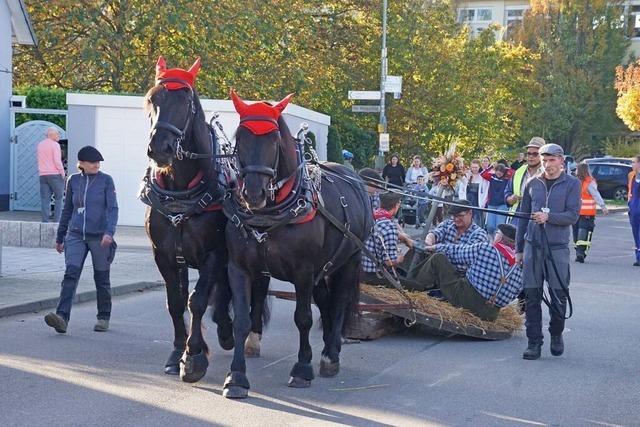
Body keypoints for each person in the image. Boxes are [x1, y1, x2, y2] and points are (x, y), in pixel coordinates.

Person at [516, 143, 581, 360]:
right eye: (544, 160)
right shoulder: (533, 183)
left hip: (557, 248)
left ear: (561, 161)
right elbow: (522, 218)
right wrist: (519, 250)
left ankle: (556, 334)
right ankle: (534, 342)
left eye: (552, 160)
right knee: (532, 296)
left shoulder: (572, 184)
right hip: (533, 247)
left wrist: (549, 217)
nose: (547, 164)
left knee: (558, 296)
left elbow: (572, 215)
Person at [44, 146, 119, 334]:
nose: (96, 165)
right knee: (70, 274)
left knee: (101, 278)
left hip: (99, 237)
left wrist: (109, 232)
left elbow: (113, 209)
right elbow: (67, 210)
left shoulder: (106, 181)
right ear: (82, 164)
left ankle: (103, 317)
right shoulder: (73, 181)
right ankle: (61, 318)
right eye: (92, 162)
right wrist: (60, 236)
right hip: (76, 235)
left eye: (98, 162)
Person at [419, 223, 523, 321]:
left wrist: (435, 247)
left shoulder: (485, 248)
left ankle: (412, 289)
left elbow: (457, 252)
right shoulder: (520, 267)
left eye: (496, 234)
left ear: (500, 238)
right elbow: (514, 295)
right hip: (490, 314)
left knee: (438, 258)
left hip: (466, 302)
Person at [361, 192, 420, 289]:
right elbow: (389, 262)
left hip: (360, 269)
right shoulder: (389, 227)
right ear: (397, 205)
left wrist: (404, 238)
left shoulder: (372, 215)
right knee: (417, 287)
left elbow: (393, 226)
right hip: (373, 275)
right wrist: (400, 258)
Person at [504, 137, 545, 226]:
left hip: (539, 220)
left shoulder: (548, 173)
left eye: (535, 154)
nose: (531, 156)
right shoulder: (519, 171)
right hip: (517, 218)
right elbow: (507, 191)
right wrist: (510, 199)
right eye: (529, 153)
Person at [573, 162, 609, 263]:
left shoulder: (576, 182)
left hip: (577, 213)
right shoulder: (589, 182)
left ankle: (579, 252)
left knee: (577, 233)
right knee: (583, 233)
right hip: (586, 213)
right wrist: (603, 206)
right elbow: (596, 195)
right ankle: (580, 252)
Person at [37, 128, 66, 222]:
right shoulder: (55, 145)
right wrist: (63, 173)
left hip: (43, 175)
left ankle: (45, 222)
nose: (59, 136)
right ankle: (57, 221)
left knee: (45, 199)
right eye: (57, 134)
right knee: (59, 198)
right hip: (55, 175)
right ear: (51, 135)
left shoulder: (40, 145)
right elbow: (57, 161)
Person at [481, 163, 509, 236]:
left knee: (499, 226)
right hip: (491, 204)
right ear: (495, 171)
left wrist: (506, 168)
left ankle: (497, 243)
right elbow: (483, 174)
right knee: (490, 226)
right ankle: (491, 239)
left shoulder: (507, 180)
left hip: (503, 205)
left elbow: (513, 172)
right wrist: (491, 167)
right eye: (497, 170)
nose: (499, 173)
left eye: (501, 171)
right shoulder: (492, 177)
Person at [466, 159, 489, 227]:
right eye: (473, 167)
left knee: (476, 220)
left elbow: (485, 190)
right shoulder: (467, 176)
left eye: (476, 167)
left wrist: (483, 203)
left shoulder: (482, 177)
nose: (474, 169)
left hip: (477, 202)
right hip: (468, 201)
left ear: (479, 167)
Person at [628, 155, 640, 266]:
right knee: (636, 233)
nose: (632, 164)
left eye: (634, 162)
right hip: (634, 208)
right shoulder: (632, 176)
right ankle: (638, 257)